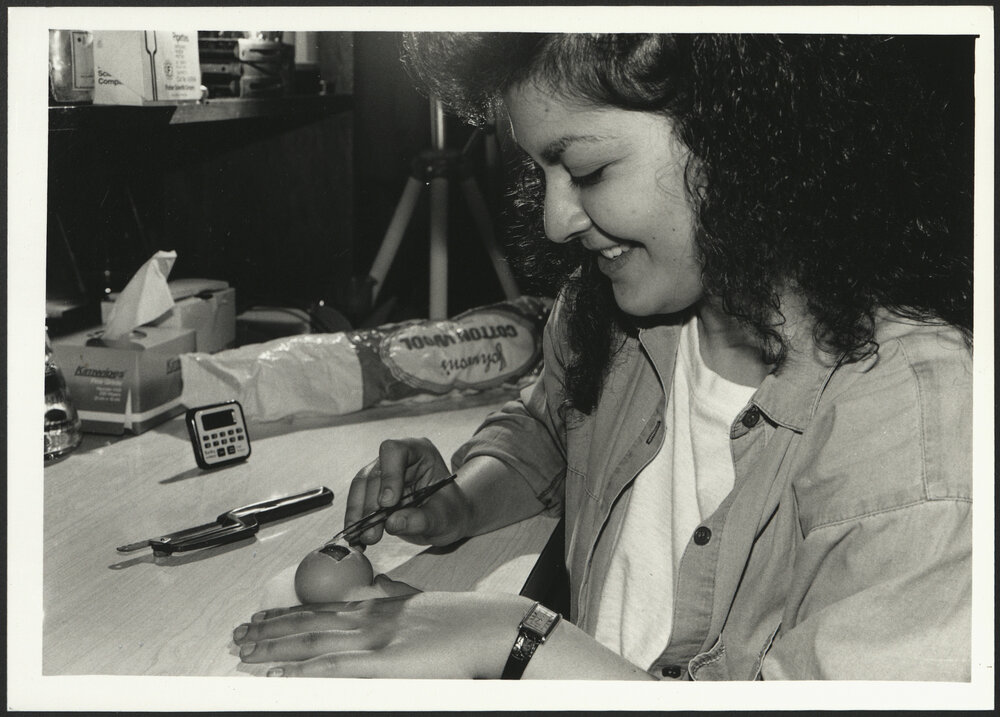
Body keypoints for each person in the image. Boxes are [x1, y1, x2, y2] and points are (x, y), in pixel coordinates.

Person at [232, 33, 973, 681]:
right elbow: (552, 430)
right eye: (540, 174)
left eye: (585, 170)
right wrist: (459, 498)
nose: (557, 221)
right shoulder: (610, 316)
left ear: (742, 135)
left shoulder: (920, 423)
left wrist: (513, 637)